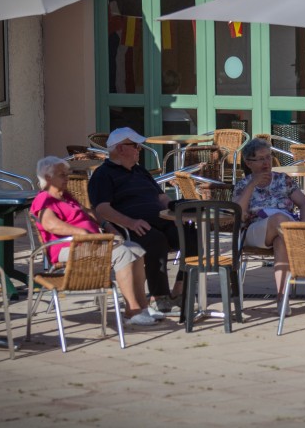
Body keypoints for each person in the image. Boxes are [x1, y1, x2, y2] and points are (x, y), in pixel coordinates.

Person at [31, 156, 163, 326]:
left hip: (91, 243)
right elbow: (51, 224)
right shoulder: (44, 198)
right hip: (67, 248)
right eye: (62, 175)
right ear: (48, 178)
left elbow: (88, 212)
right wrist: (82, 233)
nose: (67, 178)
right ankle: (132, 311)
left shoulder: (66, 196)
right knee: (122, 253)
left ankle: (143, 307)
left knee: (135, 249)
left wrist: (108, 226)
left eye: (67, 174)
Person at [88, 127, 190, 316]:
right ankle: (159, 297)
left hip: (161, 219)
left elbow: (161, 199)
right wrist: (130, 222)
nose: (139, 150)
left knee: (192, 234)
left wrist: (178, 211)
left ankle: (179, 290)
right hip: (132, 226)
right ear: (120, 149)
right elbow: (102, 209)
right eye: (135, 146)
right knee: (155, 240)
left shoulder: (140, 171)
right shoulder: (103, 175)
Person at [233, 138, 305, 316]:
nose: (266, 162)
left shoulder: (283, 180)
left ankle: (281, 298)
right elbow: (237, 213)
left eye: (268, 157)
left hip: (281, 231)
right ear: (248, 162)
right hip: (254, 232)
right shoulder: (242, 184)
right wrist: (253, 184)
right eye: (260, 159)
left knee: (281, 242)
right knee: (278, 218)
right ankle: (302, 247)